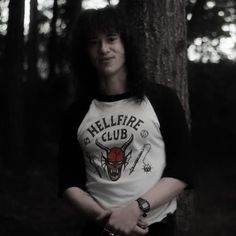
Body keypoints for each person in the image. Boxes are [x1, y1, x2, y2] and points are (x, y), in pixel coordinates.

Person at [58, 6, 192, 236]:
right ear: (85, 52)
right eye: (93, 42)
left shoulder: (161, 99)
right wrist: (106, 219)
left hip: (155, 229)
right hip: (99, 230)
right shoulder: (76, 112)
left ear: (125, 44)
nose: (103, 49)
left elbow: (183, 170)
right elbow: (69, 182)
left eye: (111, 39)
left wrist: (134, 210)